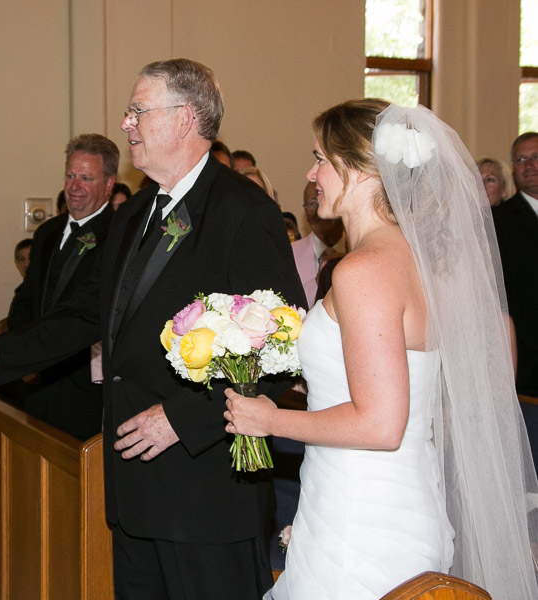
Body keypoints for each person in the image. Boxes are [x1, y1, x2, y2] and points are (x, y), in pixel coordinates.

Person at [0, 58, 305, 599]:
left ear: (185, 119)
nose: (126, 124)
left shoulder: (243, 211)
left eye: (137, 111)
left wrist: (183, 417)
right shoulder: (134, 213)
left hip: (206, 491)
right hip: (132, 484)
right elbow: (86, 314)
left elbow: (283, 347)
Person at [224, 99, 538, 598]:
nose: (312, 172)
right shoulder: (423, 261)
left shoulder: (363, 270)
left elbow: (380, 424)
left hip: (361, 516)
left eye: (321, 158)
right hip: (394, 497)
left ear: (362, 170)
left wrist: (267, 419)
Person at [5, 133, 118, 440]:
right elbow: (26, 298)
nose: (74, 186)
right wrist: (23, 352)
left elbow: (92, 311)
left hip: (84, 383)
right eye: (70, 175)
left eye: (85, 178)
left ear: (108, 185)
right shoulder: (47, 233)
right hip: (38, 380)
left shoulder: (118, 237)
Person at [493, 132, 538, 397]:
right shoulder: (499, 220)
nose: (529, 165)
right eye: (520, 159)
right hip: (526, 357)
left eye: (535, 157)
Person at [291, 180, 345, 307]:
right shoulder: (289, 254)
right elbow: (284, 304)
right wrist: (317, 281)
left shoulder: (360, 248)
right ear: (305, 211)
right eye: (312, 204)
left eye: (326, 200)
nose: (320, 210)